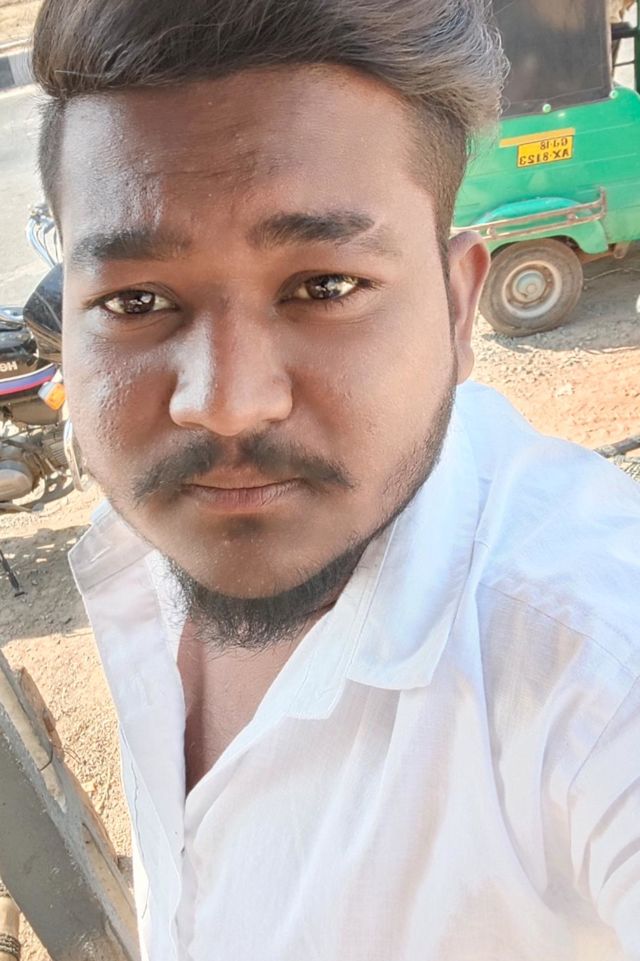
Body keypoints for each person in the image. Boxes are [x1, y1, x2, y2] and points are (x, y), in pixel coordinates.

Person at [31, 0, 640, 958]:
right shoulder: (141, 548)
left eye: (325, 287)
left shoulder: (590, 662)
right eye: (136, 300)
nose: (226, 405)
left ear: (458, 308)